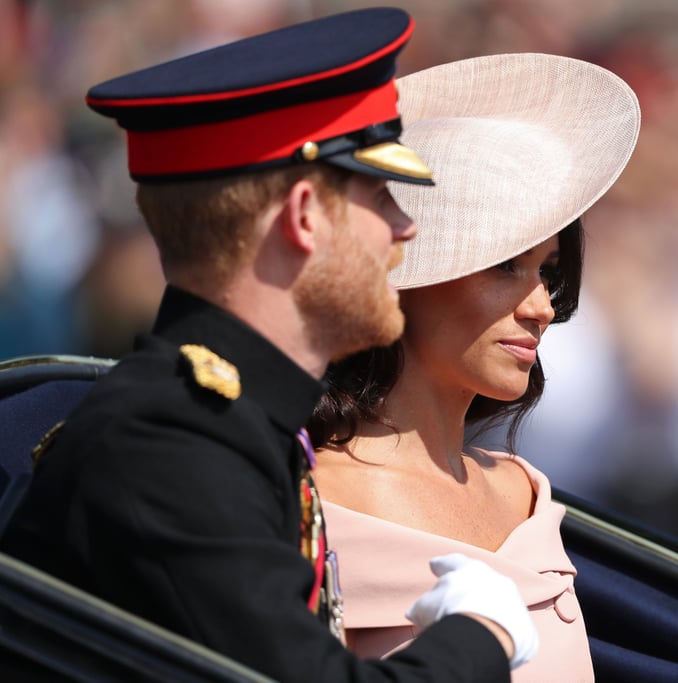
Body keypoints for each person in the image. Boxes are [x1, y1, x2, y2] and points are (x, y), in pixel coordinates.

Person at [0, 8, 537, 682]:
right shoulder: (169, 441)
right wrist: (478, 636)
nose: (404, 230)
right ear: (305, 216)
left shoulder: (228, 423)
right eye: (381, 195)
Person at [306, 53, 641, 681]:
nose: (543, 306)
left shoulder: (526, 492)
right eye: (505, 266)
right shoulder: (308, 498)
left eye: (545, 271)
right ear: (404, 275)